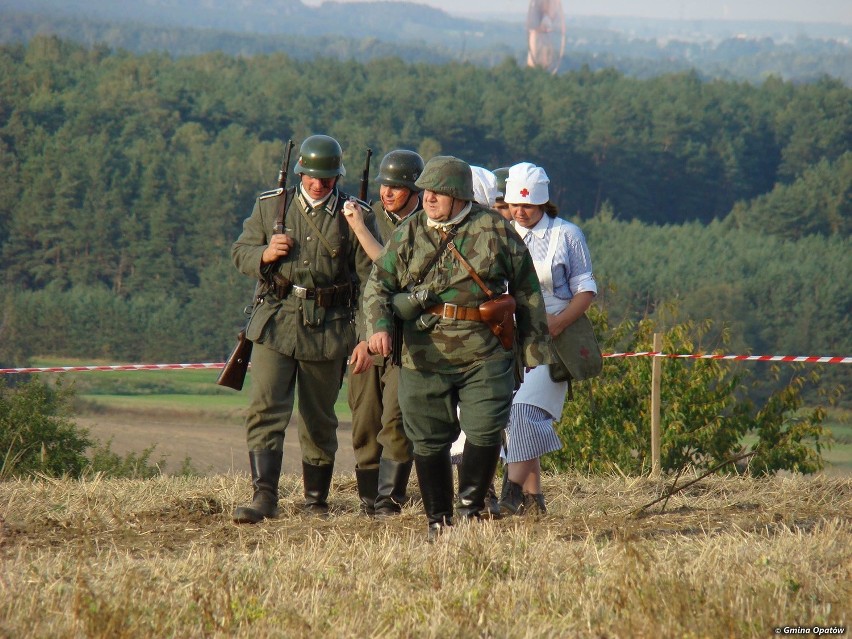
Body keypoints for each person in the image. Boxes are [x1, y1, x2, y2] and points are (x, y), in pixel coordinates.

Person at [363, 155, 551, 540]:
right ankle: (438, 521)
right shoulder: (409, 232)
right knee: (428, 437)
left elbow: (528, 290)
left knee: (485, 429)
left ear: (460, 195)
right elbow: (378, 286)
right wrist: (379, 328)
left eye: (439, 192)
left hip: (485, 350)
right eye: (426, 191)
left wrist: (531, 347)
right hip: (423, 352)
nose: (429, 198)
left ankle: (470, 511)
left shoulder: (495, 229)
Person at [230, 134, 381, 523]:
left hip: (329, 329)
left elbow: (370, 281)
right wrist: (263, 254)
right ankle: (265, 497)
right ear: (299, 173)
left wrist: (365, 337)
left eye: (327, 178)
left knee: (319, 418)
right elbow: (240, 252)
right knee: (265, 408)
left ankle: (316, 500)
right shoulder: (269, 206)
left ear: (337, 177)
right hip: (276, 322)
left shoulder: (356, 214)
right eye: (312, 177)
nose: (318, 184)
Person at [499, 162, 597, 516]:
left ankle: (508, 493)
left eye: (528, 205)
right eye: (515, 205)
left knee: (524, 411)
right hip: (508, 338)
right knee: (516, 414)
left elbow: (585, 290)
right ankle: (533, 499)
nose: (520, 212)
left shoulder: (567, 234)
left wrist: (558, 323)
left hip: (555, 339)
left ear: (542, 204)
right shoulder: (502, 234)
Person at [345, 150, 424, 516]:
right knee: (364, 417)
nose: (387, 192)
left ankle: (390, 500)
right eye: (384, 185)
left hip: (411, 338)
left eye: (397, 186)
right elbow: (363, 284)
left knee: (395, 419)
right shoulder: (369, 216)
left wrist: (361, 229)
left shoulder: (427, 225)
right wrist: (363, 336)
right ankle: (367, 499)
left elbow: (396, 270)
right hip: (368, 333)